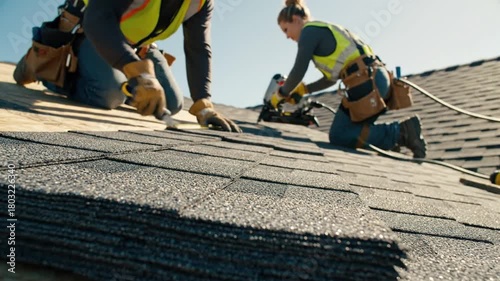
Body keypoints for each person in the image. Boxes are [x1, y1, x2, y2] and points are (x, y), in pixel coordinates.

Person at [13, 0, 241, 133]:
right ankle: (44, 71)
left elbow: (198, 47)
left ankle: (126, 84)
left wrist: (203, 103)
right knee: (107, 95)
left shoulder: (201, 2)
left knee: (172, 104)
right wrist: (136, 71)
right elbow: (97, 19)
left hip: (139, 46)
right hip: (94, 34)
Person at [270, 0, 427, 158]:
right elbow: (330, 79)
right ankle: (395, 138)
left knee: (340, 135)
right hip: (374, 78)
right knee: (347, 132)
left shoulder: (308, 32)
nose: (287, 36)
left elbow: (299, 70)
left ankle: (401, 133)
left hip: (366, 82)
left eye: (286, 29)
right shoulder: (321, 29)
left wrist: (281, 94)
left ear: (296, 20)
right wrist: (305, 90)